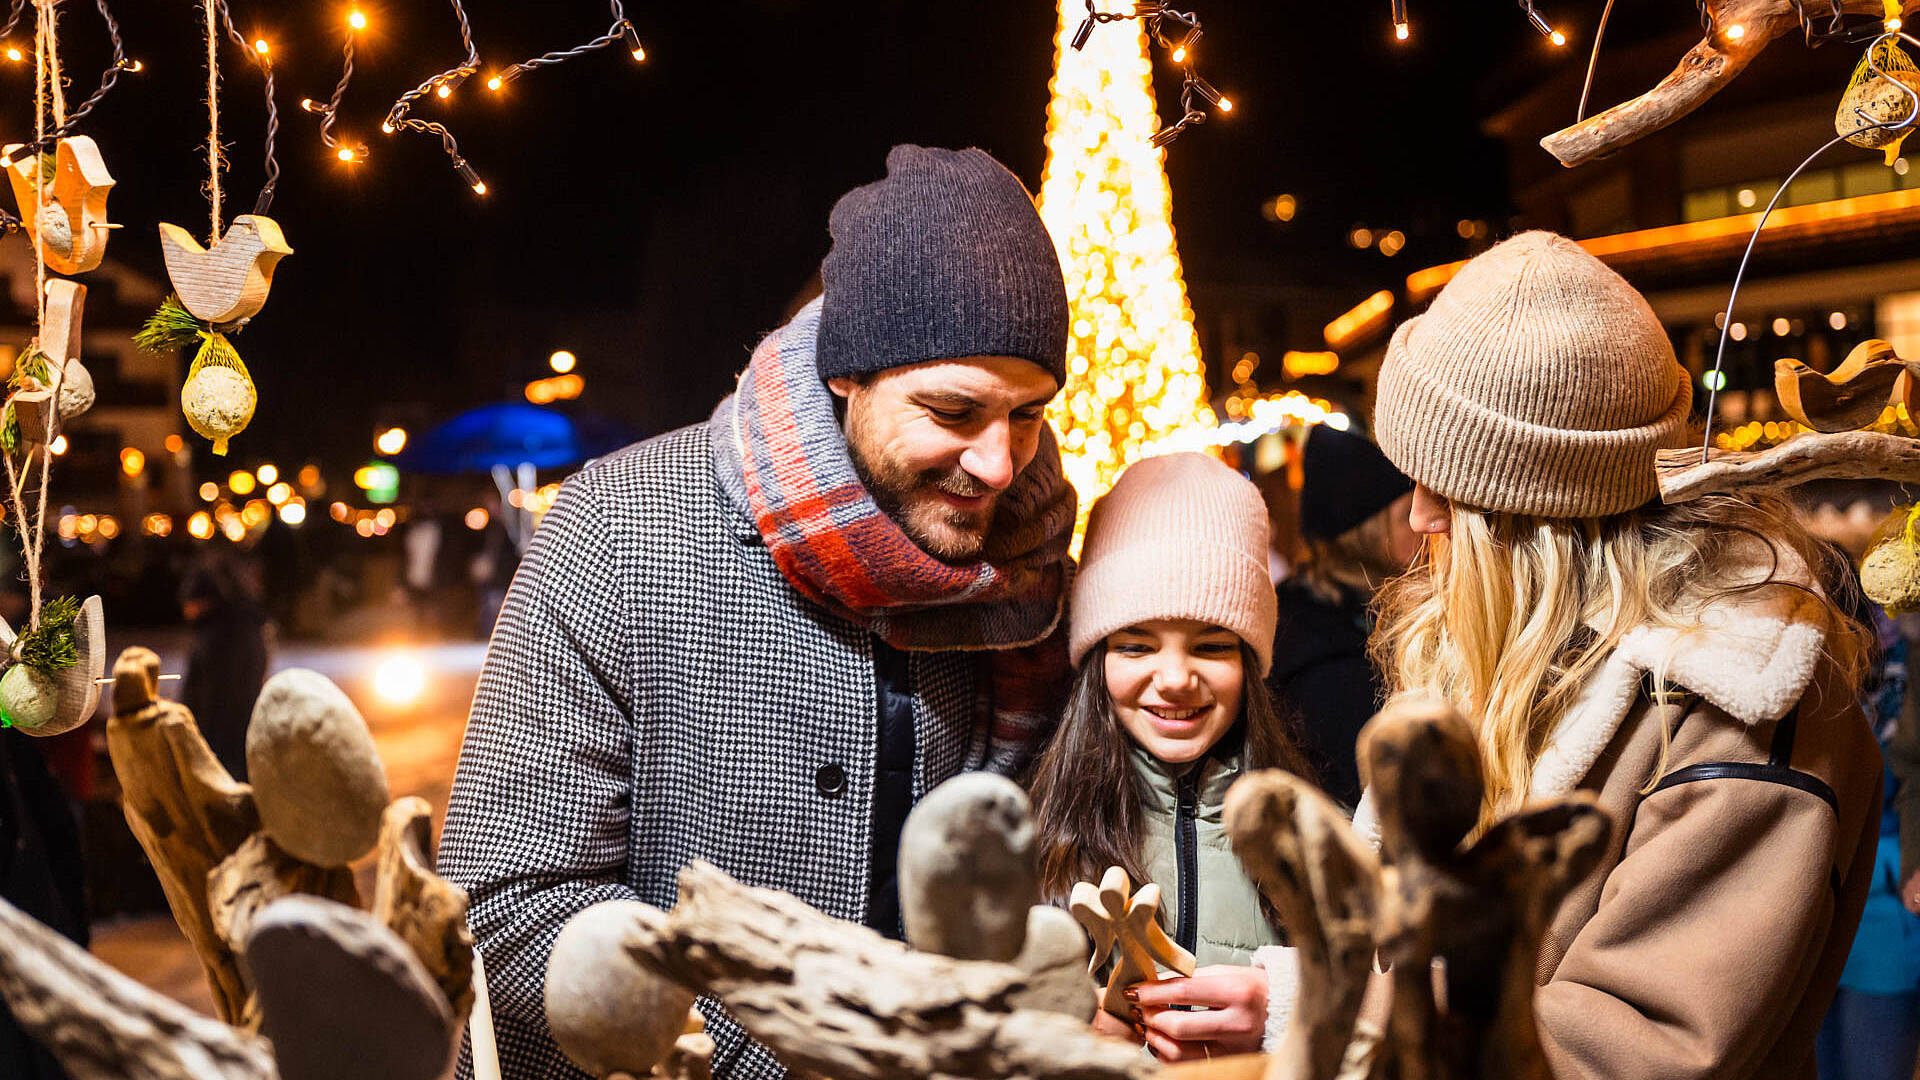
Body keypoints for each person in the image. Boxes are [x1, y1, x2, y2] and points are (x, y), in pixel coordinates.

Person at [438, 145, 1078, 1080]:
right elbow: (508, 908)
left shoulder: (1022, 564)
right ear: (845, 376)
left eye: (1027, 415)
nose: (999, 464)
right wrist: (808, 1047)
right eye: (952, 410)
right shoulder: (619, 528)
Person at [1359, 231, 1881, 1079]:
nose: (1420, 517)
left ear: (1541, 520)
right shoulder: (1517, 650)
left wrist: (1325, 1007)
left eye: (1449, 490)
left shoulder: (1740, 708)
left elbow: (1633, 1048)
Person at [1027, 452, 1314, 1061]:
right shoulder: (1032, 836)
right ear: (1097, 660)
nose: (1176, 678)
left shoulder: (1320, 839)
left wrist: (1284, 1016)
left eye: (1211, 646)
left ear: (1249, 665)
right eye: (1136, 646)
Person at [1266, 424, 1417, 807]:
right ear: (1365, 533)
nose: (1422, 524)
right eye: (1404, 515)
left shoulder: (1360, 612)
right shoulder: (1326, 660)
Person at [178, 554, 271, 782]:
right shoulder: (246, 623)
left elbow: (206, 690)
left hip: (221, 731)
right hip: (243, 726)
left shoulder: (216, 634)